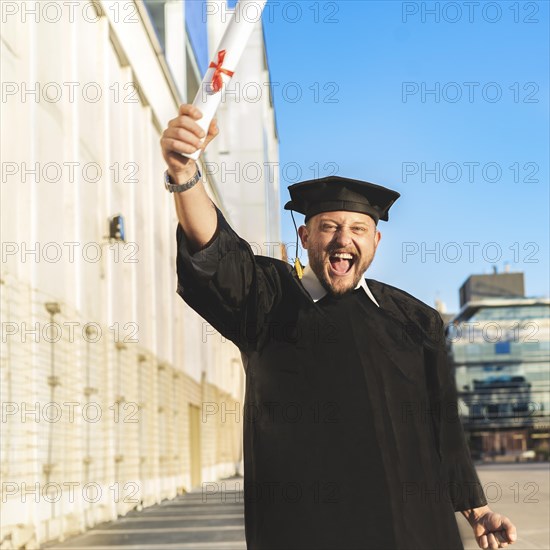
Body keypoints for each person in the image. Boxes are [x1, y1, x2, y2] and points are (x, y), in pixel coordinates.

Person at [160, 104, 518, 550]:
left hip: (413, 531)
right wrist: (184, 172)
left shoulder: (417, 320)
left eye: (358, 229)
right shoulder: (267, 299)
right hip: (305, 529)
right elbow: (214, 249)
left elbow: (443, 427)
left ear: (375, 241)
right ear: (306, 237)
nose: (343, 239)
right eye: (328, 226)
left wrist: (477, 510)